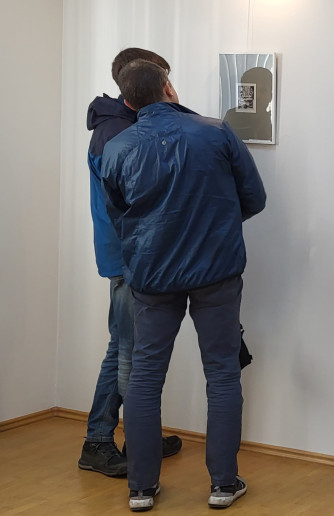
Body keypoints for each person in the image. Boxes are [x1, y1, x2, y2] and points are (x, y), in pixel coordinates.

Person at [101, 59, 267, 511]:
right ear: (169, 88)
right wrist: (215, 226)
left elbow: (120, 214)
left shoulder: (117, 148)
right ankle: (223, 484)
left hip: (152, 275)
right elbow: (255, 198)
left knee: (145, 376)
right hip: (216, 271)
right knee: (222, 373)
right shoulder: (216, 132)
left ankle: (141, 488)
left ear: (128, 101)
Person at [80, 48, 182, 478]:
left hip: (129, 254)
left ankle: (110, 439)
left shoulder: (124, 125)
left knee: (123, 347)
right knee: (129, 353)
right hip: (128, 257)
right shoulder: (117, 133)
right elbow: (135, 202)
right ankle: (110, 442)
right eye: (164, 79)